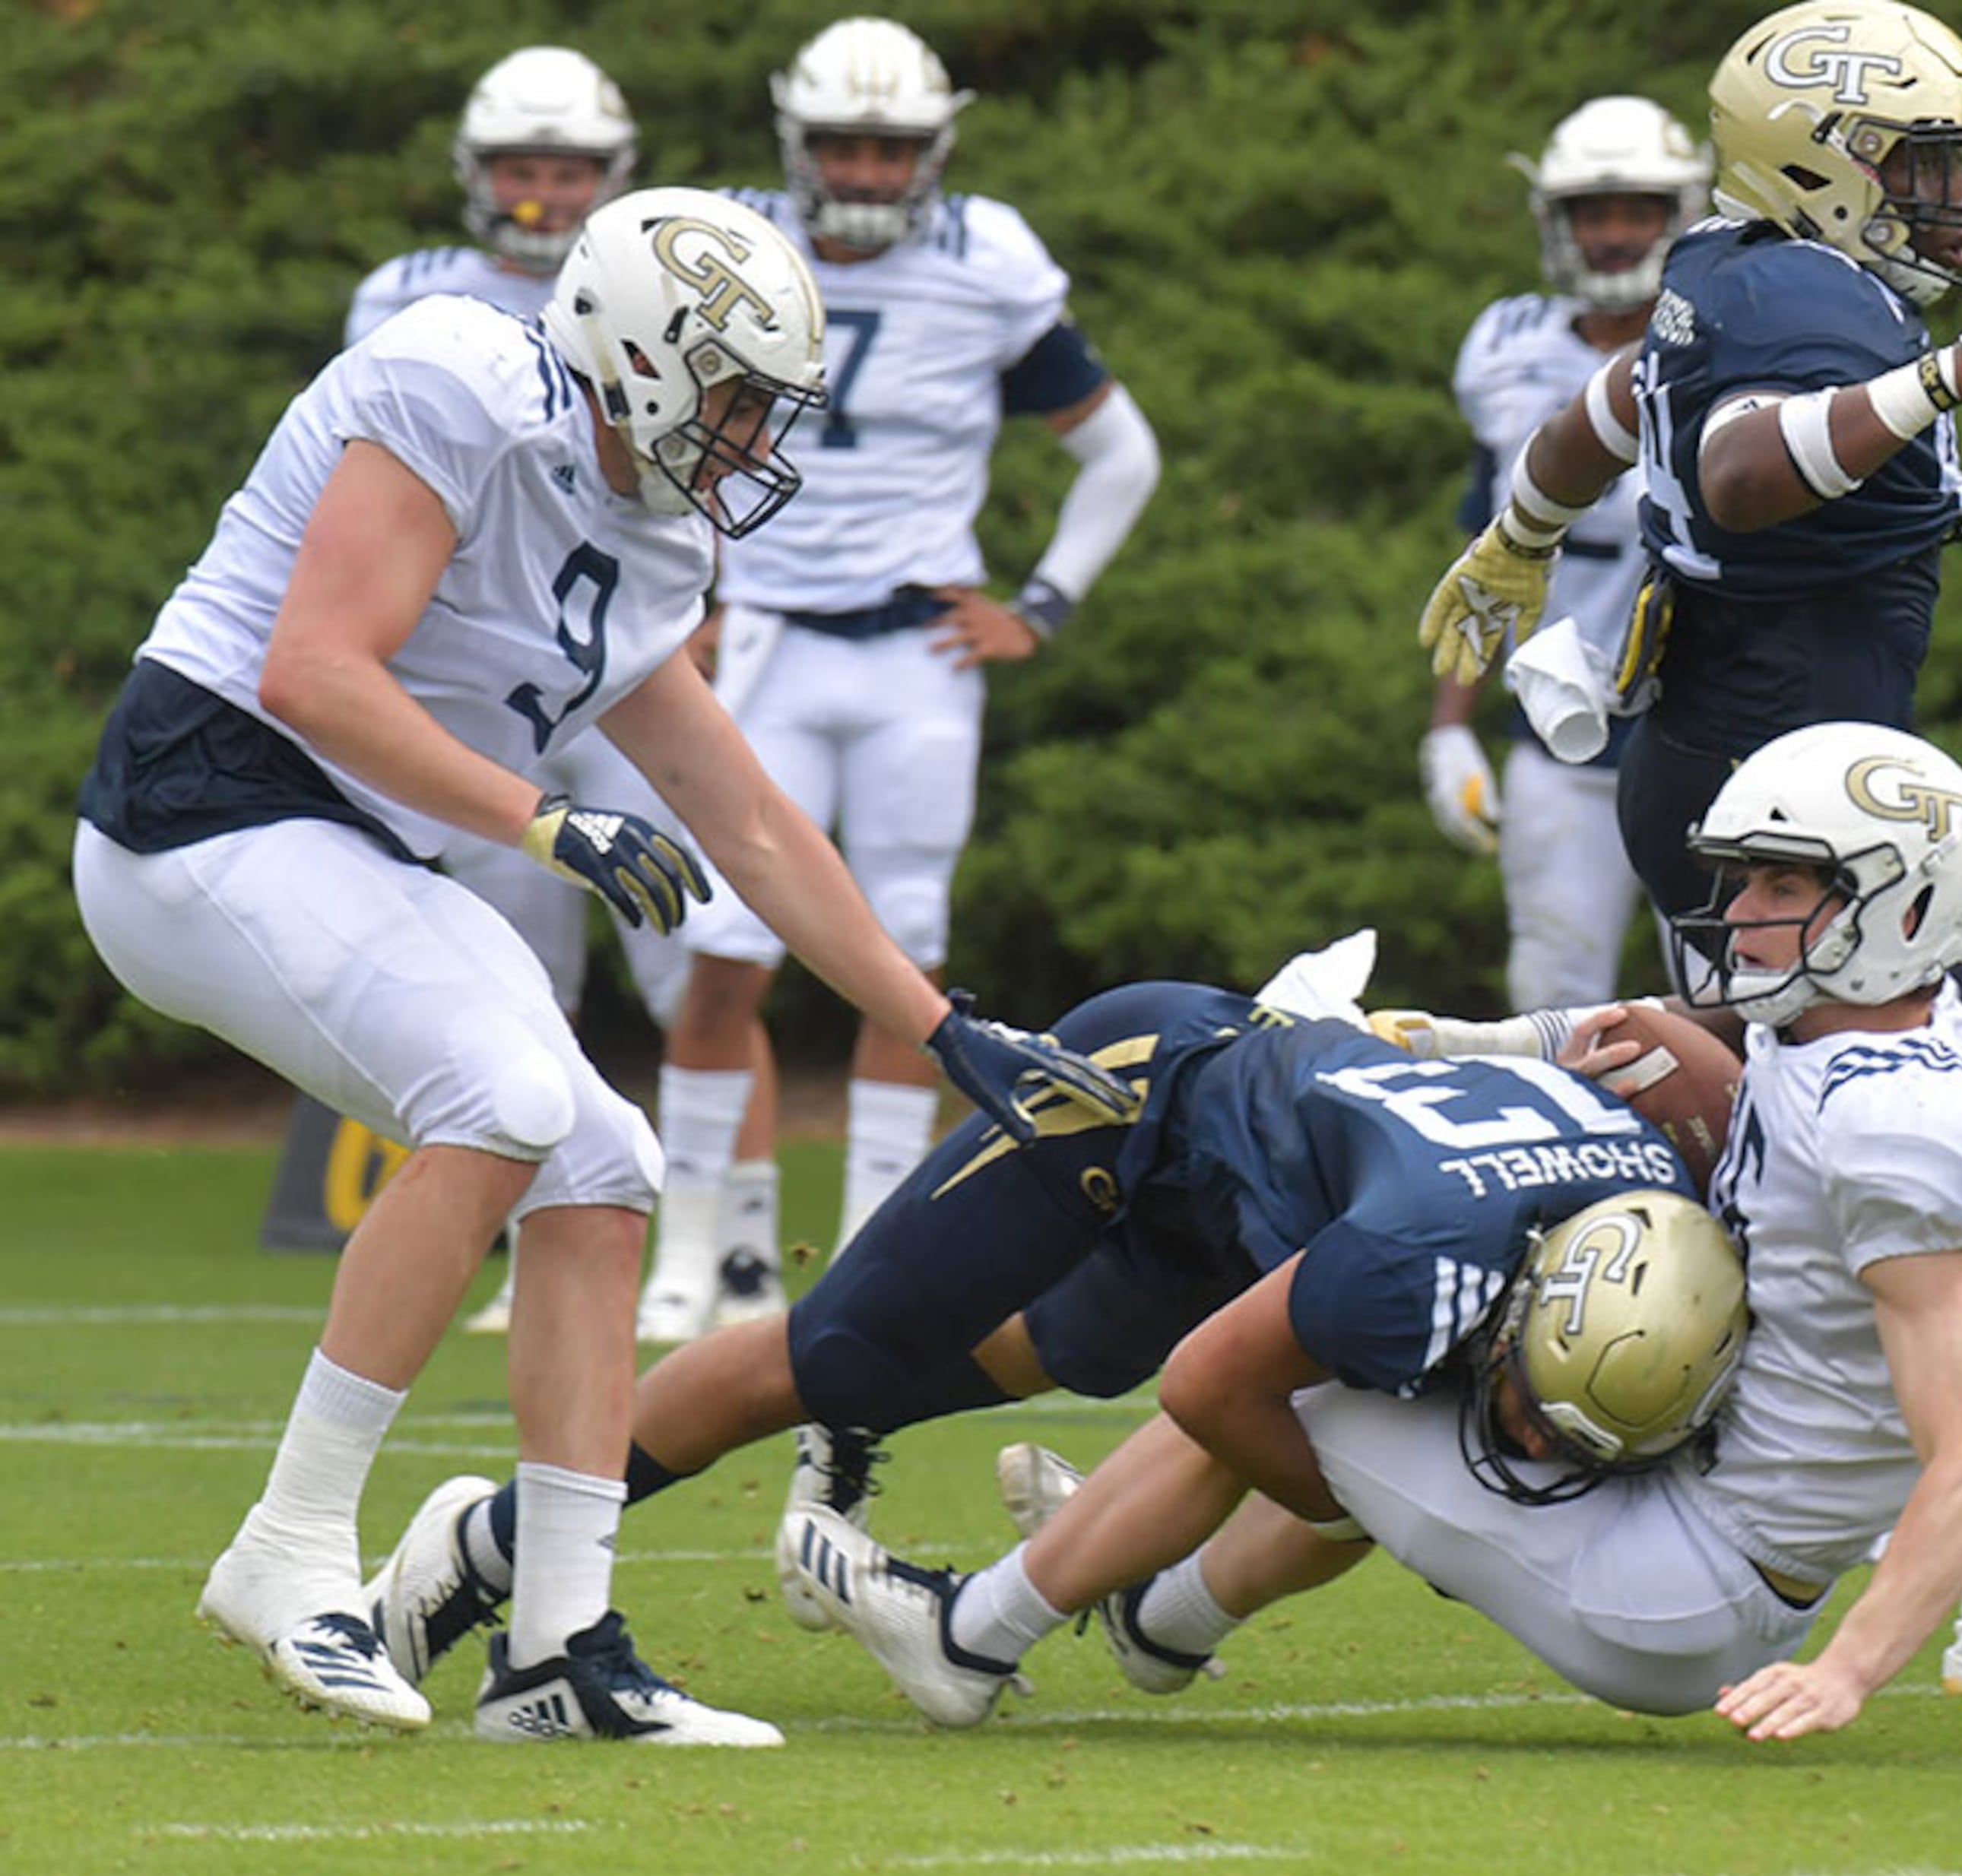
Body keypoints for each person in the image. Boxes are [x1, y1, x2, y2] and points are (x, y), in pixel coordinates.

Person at [70, 187, 1137, 1743]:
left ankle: (557, 1647)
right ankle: (293, 1542)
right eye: (738, 396)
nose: (757, 438)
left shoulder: (649, 535)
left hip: (349, 850)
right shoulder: (454, 382)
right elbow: (312, 667)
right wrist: (544, 819)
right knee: (502, 1094)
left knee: (604, 1159)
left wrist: (945, 1025)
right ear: (642, 353)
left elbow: (754, 821)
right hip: (198, 810)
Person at [801, 724, 1962, 1736]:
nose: (1743, 913)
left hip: (1685, 1581)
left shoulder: (1894, 1131)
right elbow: (1646, 1032)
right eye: (1748, 878)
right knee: (1425, 1335)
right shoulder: (1882, 1015)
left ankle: (975, 1631)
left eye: (1786, 886)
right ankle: (1161, 1612)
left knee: (1315, 1345)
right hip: (1707, 1479)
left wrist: (1848, 1670)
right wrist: (1442, 1033)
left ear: (1900, 904)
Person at [358, 981, 1713, 1704]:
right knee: (832, 1360)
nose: (1534, 1431)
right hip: (1134, 1089)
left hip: (1247, 1188)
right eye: (1543, 1402)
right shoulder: (1418, 1263)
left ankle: (1026, 1558)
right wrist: (1353, 1494)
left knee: (1049, 1355)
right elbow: (1220, 1390)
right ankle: (486, 1543)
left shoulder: (1645, 1216)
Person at [1415, 0, 1962, 994]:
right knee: (1904, 1072)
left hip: (1726, 754)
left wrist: (1524, 530)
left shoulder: (1729, 259)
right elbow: (1741, 476)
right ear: (1818, 165)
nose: (1957, 194)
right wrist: (1960, 370)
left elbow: (1621, 396)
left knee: (1781, 1084)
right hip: (1783, 779)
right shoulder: (1815, 301)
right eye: (1925, 165)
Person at [639, 14, 1162, 1344]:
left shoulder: (986, 263)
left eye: (891, 146)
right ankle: (689, 1254)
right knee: (720, 954)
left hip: (919, 649)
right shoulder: (726, 245)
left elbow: (1122, 454)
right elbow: (641, 425)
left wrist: (1040, 606)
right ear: (794, 145)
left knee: (907, 959)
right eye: (844, 145)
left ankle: (871, 1251)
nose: (867, 171)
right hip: (762, 633)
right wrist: (678, 595)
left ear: (933, 151)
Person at [345, 46, 775, 1339]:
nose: (541, 195)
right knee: (514, 965)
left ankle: (739, 1249)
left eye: (568, 171)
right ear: (478, 176)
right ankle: (548, 1231)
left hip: (619, 663)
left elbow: (712, 462)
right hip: (487, 682)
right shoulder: (412, 300)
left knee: (693, 952)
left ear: (614, 178)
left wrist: (692, 623)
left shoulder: (670, 277)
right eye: (523, 170)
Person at [1422, 97, 1707, 1012]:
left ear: (1683, 212)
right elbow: (1484, 551)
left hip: (1708, 724)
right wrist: (1449, 723)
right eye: (1596, 212)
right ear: (1560, 221)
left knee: (1730, 994)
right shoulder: (1506, 347)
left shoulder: (1729, 343)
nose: (1617, 235)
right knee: (1551, 991)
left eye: (1638, 211)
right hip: (1555, 732)